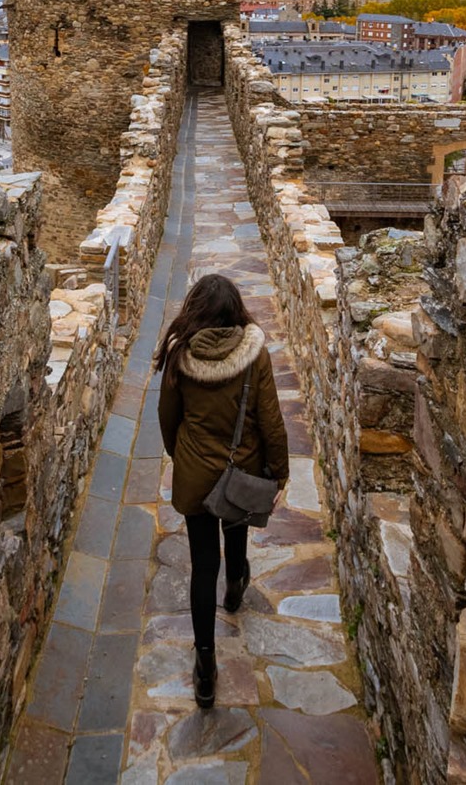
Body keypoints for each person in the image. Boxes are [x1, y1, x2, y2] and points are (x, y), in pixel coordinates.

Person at [156, 273, 288, 708]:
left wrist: (184, 459)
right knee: (235, 529)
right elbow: (270, 420)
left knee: (201, 564)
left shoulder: (179, 356)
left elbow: (167, 418)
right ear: (236, 311)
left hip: (195, 473)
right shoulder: (255, 355)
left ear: (195, 312)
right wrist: (279, 474)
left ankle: (206, 669)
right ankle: (235, 587)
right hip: (241, 466)